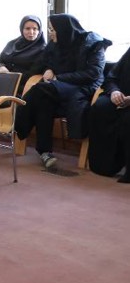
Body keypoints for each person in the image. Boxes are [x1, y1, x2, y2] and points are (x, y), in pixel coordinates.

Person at [15, 14, 109, 169]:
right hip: (60, 85)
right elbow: (45, 62)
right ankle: (45, 152)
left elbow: (93, 73)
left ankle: (18, 124)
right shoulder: (56, 43)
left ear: (64, 30)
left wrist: (58, 77)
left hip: (84, 87)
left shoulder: (93, 44)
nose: (50, 33)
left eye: (53, 30)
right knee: (43, 101)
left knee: (40, 89)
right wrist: (48, 69)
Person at [87, 50, 130, 182]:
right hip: (121, 95)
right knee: (100, 107)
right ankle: (104, 165)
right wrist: (114, 91)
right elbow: (112, 78)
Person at [0, 15, 48, 86]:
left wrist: (10, 77)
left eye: (35, 29)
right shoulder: (12, 43)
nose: (31, 32)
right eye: (27, 28)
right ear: (21, 29)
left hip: (22, 86)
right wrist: (1, 67)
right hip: (2, 80)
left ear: (39, 30)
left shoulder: (43, 50)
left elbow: (31, 74)